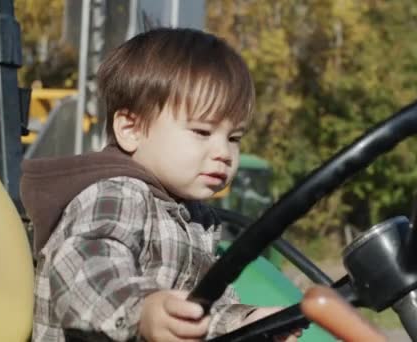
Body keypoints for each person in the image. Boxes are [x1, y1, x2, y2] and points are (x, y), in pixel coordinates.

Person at [21, 27, 300, 341]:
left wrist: (246, 323)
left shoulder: (195, 218)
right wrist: (143, 311)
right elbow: (85, 269)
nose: (224, 153)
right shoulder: (115, 192)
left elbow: (196, 311)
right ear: (131, 129)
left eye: (234, 138)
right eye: (202, 132)